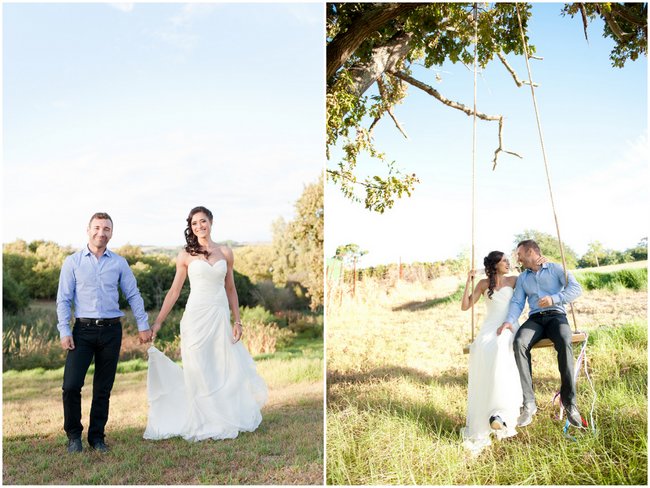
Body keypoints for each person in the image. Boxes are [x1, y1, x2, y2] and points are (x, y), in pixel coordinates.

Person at [143, 206, 267, 442]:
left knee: (221, 367)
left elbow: (231, 288)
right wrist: (158, 323)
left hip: (219, 317)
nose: (199, 226)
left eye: (203, 221)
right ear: (190, 227)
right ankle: (202, 420)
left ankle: (221, 417)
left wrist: (237, 320)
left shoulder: (226, 252)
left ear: (211, 222)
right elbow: (174, 291)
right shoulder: (185, 255)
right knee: (198, 368)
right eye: (194, 224)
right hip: (195, 318)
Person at [57, 212, 152, 454]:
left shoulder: (119, 263)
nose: (101, 232)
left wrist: (143, 324)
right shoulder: (73, 262)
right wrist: (64, 330)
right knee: (71, 385)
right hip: (82, 331)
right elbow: (63, 300)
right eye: (97, 227)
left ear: (112, 232)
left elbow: (133, 294)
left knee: (103, 388)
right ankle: (74, 436)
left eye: (106, 229)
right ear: (88, 230)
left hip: (111, 331)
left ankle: (97, 438)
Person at [497, 239, 583, 428]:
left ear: (530, 252)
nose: (517, 258)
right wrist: (509, 321)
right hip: (535, 319)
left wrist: (554, 298)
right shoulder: (523, 278)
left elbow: (576, 289)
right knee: (519, 342)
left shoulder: (556, 269)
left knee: (564, 338)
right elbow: (518, 302)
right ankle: (529, 403)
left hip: (556, 315)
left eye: (519, 254)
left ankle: (569, 403)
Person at [460, 251, 524, 456]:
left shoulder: (514, 279)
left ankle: (502, 411)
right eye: (504, 260)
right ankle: (488, 413)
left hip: (509, 324)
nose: (508, 263)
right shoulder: (482, 284)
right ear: (495, 264)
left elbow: (532, 281)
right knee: (482, 347)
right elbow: (465, 306)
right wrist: (468, 282)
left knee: (500, 345)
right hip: (490, 327)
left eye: (508, 260)